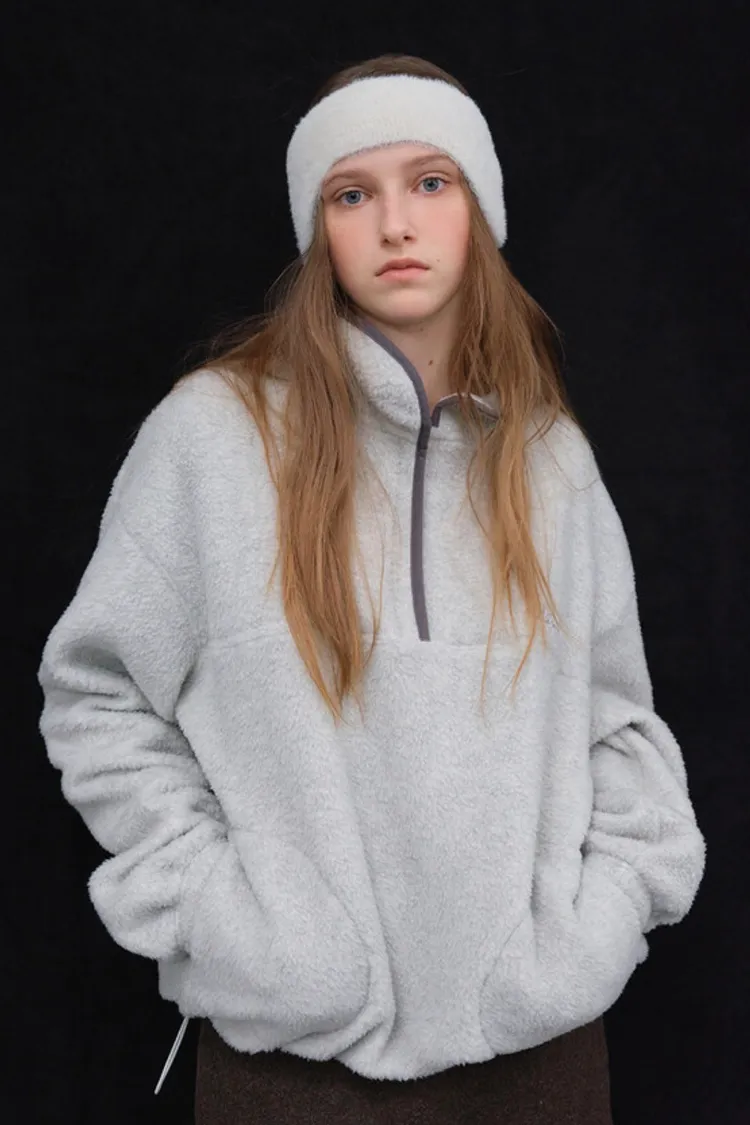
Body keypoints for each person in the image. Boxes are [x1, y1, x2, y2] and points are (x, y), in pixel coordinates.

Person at [37, 53, 706, 1125]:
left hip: (539, 1054)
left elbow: (617, 725)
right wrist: (240, 927)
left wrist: (592, 928)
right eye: (353, 194)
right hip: (292, 1063)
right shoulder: (213, 438)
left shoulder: (552, 462)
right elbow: (96, 695)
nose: (396, 223)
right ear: (320, 230)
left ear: (480, 209)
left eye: (431, 182)